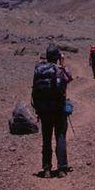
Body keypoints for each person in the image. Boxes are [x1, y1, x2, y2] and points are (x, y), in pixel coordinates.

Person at [31, 43, 72, 178]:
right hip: (58, 109)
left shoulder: (39, 69)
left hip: (43, 109)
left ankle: (47, 168)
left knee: (46, 137)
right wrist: (63, 63)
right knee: (60, 136)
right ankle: (61, 168)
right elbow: (68, 79)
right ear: (57, 56)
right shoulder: (58, 69)